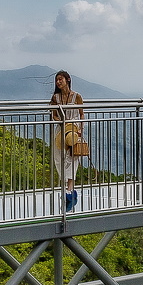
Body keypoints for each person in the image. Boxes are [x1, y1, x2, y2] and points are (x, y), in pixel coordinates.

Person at [50, 71, 85, 211]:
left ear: (67, 80)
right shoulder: (55, 97)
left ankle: (69, 188)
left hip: (74, 130)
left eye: (61, 79)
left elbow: (81, 114)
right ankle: (66, 186)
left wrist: (81, 128)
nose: (58, 82)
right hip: (61, 130)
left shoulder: (77, 96)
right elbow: (54, 115)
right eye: (57, 80)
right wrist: (62, 121)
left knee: (72, 157)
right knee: (59, 158)